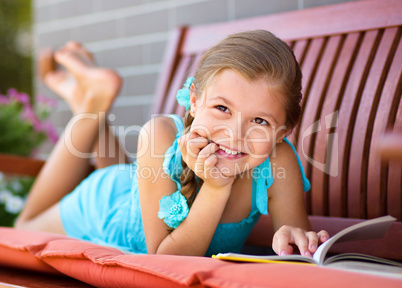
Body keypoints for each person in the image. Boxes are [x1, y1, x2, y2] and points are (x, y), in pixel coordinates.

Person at [15, 30, 329, 257]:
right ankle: (90, 104)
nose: (235, 134)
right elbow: (165, 260)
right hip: (102, 207)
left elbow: (297, 244)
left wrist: (296, 240)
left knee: (135, 181)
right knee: (21, 227)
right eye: (222, 108)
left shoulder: (278, 161)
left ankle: (87, 98)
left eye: (260, 121)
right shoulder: (160, 135)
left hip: (138, 192)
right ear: (193, 101)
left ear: (282, 131)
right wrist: (217, 187)